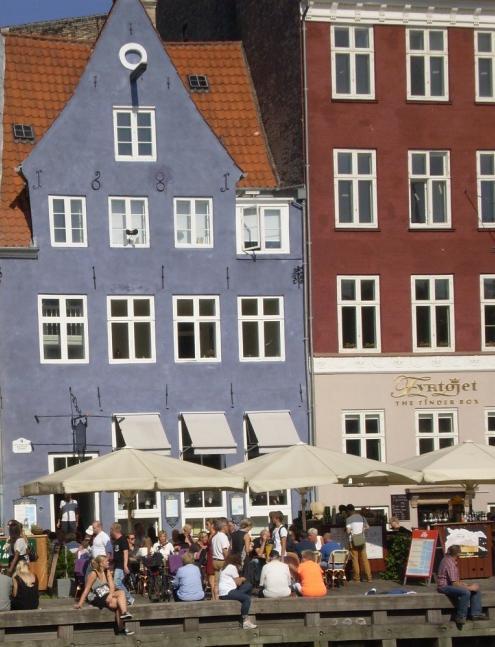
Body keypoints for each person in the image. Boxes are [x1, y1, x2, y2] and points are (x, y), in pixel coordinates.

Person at [75, 555, 134, 636]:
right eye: (106, 561)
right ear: (101, 564)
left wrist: (110, 595)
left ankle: (124, 614)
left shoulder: (107, 571)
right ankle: (121, 628)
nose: (108, 562)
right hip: (96, 595)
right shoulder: (93, 573)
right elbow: (86, 589)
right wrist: (80, 603)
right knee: (118, 603)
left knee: (121, 593)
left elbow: (112, 586)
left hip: (106, 593)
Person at [437, 545, 486, 624]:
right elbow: (454, 584)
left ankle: (476, 614)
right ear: (458, 554)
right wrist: (469, 588)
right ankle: (460, 616)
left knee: (476, 589)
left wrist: (467, 585)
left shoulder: (448, 559)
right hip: (444, 587)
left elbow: (455, 581)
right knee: (466, 592)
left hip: (450, 584)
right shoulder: (450, 563)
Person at [218, 554, 257, 630]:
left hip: (225, 592)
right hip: (228, 592)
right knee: (247, 598)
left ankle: (245, 606)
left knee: (248, 586)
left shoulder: (224, 567)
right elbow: (238, 583)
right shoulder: (232, 567)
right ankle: (245, 621)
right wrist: (242, 578)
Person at [346, 505, 372, 583]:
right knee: (365, 559)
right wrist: (362, 530)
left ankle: (357, 579)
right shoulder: (362, 517)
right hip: (362, 540)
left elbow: (348, 531)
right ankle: (369, 578)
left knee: (355, 560)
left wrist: (351, 530)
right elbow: (368, 527)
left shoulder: (349, 519)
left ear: (349, 511)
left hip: (353, 541)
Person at [110, 523, 134, 606]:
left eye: (111, 530)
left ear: (114, 530)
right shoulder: (116, 541)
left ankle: (129, 598)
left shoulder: (123, 539)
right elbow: (117, 554)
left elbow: (126, 552)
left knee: (117, 583)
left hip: (121, 565)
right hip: (117, 565)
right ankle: (125, 598)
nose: (110, 532)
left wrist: (125, 565)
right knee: (117, 583)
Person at [211, 518, 230, 598]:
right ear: (223, 526)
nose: (228, 527)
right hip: (222, 561)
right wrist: (230, 561)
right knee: (225, 582)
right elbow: (225, 551)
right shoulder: (223, 536)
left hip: (215, 561)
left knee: (216, 582)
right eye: (227, 525)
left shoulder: (214, 537)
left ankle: (216, 599)